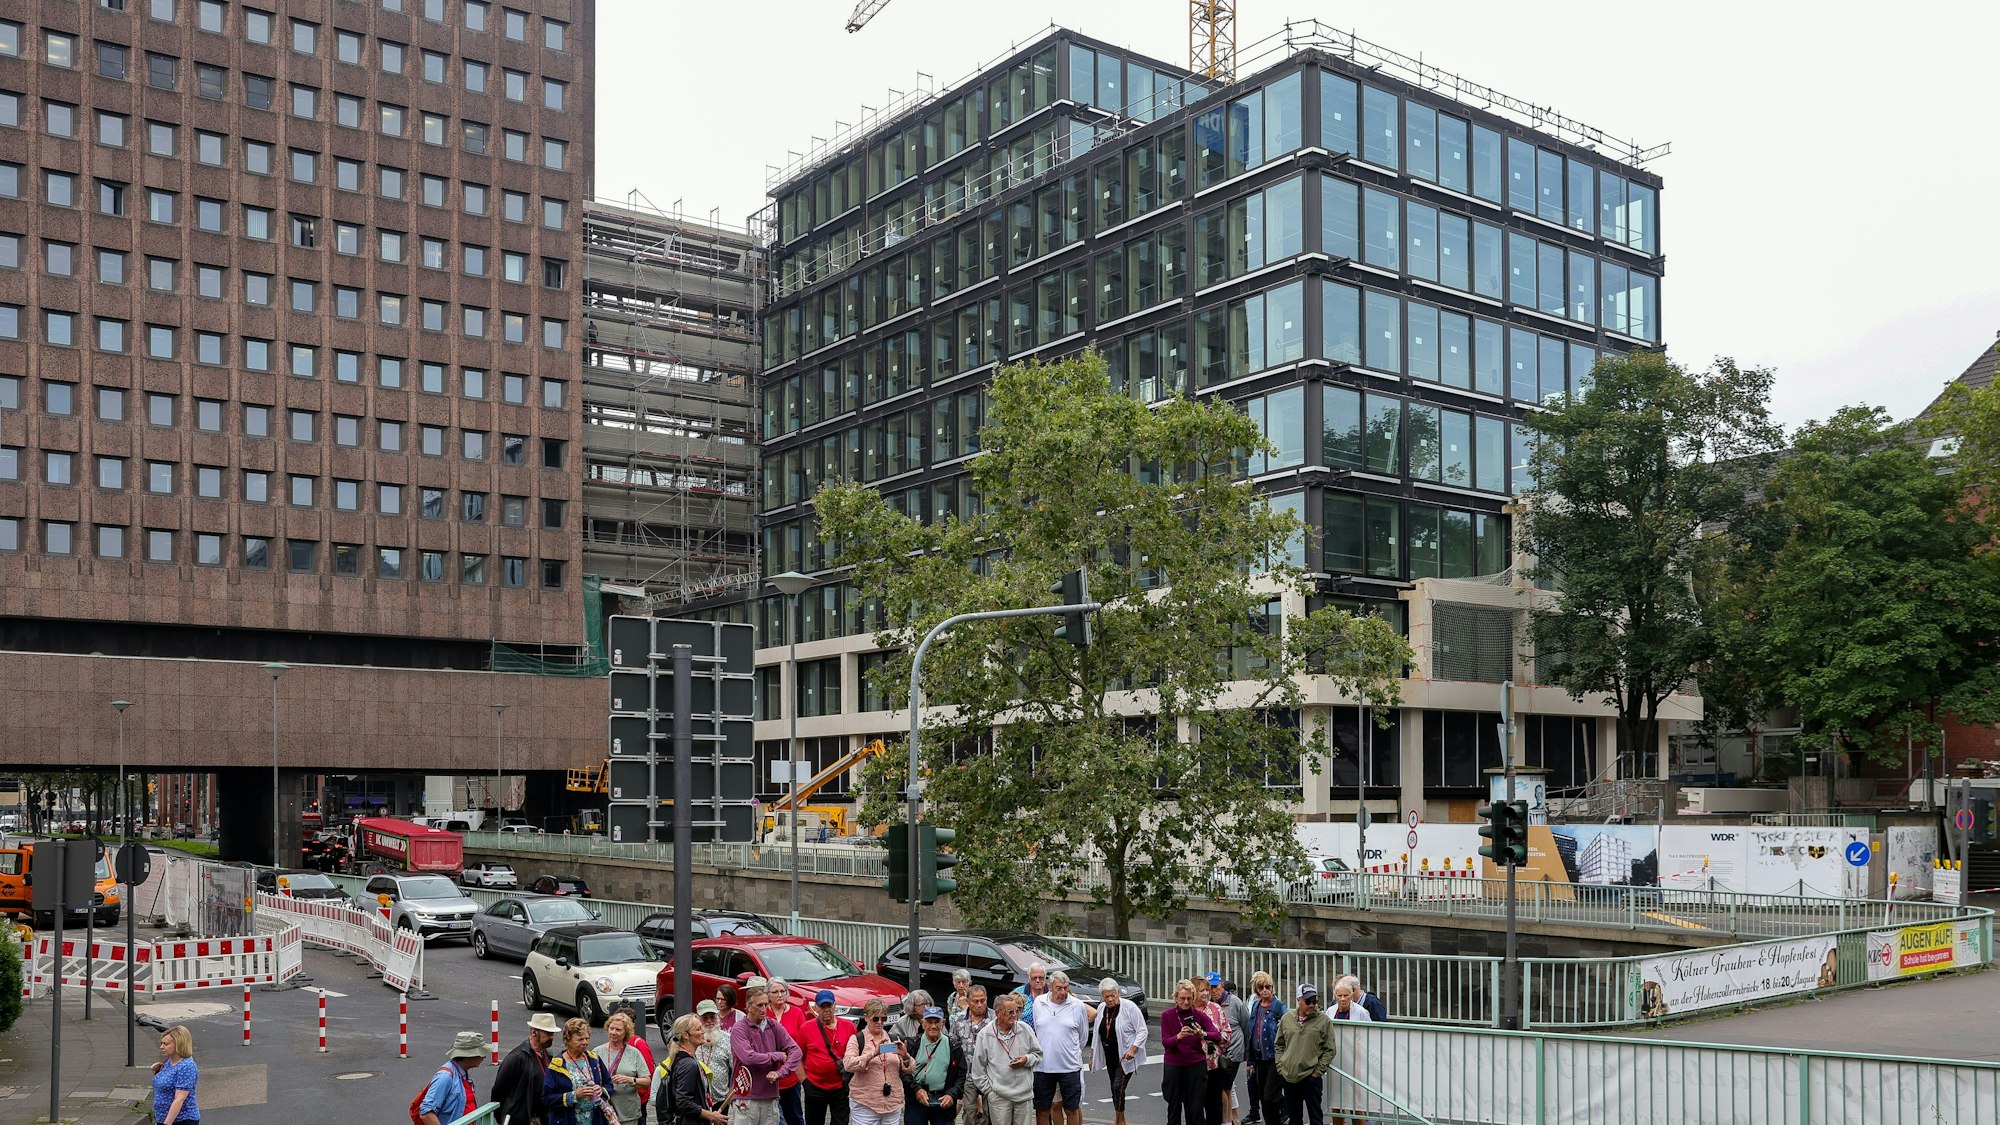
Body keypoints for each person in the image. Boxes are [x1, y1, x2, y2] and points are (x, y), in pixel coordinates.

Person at [732, 984, 804, 1125]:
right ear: (748, 1006)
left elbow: (796, 1051)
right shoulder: (739, 1028)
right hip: (747, 1097)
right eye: (759, 1005)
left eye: (766, 1004)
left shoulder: (773, 1025)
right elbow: (748, 1057)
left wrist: (781, 1072)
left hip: (770, 1096)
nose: (764, 1009)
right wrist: (776, 1055)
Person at [1030, 971, 1091, 1125]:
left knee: (1072, 1109)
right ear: (1049, 987)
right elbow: (1039, 1031)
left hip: (1069, 1068)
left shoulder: (1077, 1006)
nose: (1063, 992)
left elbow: (1082, 1037)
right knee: (1042, 1109)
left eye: (1065, 988)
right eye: (1059, 988)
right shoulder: (1039, 1002)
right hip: (1043, 1067)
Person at [968, 994, 1040, 1125]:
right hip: (999, 1096)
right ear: (997, 1013)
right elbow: (978, 1070)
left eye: (1017, 1011)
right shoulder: (985, 1034)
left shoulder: (1025, 1029)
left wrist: (1026, 1059)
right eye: (1010, 1012)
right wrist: (990, 1091)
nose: (1014, 1015)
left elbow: (1038, 1054)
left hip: (1024, 1095)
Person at [1159, 980, 1220, 1125]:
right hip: (1174, 1065)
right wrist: (1179, 1037)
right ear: (1176, 998)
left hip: (1195, 1065)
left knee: (1195, 1109)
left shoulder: (1199, 1016)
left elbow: (1216, 1035)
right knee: (1173, 1107)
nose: (1186, 1002)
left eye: (1189, 998)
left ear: (1193, 998)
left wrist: (1202, 1034)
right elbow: (1166, 1042)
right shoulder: (1167, 1015)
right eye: (1182, 998)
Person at [1085, 979, 1146, 1125]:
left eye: (1113, 995)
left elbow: (1142, 1030)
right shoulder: (1101, 1008)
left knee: (1118, 1086)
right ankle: (1119, 1118)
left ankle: (1120, 1120)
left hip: (1125, 1057)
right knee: (1114, 1088)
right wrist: (1092, 1055)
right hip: (1110, 1055)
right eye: (1106, 997)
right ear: (1102, 997)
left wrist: (1133, 1049)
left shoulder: (1129, 1007)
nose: (1110, 999)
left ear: (1118, 992)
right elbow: (1097, 1036)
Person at [1273, 986, 1336, 1125]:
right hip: (1289, 1076)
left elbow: (1330, 1049)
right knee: (1294, 1118)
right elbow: (1279, 1044)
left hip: (1310, 1077)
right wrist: (1280, 1067)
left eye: (1315, 1001)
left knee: (1315, 1117)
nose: (1312, 1005)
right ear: (1298, 1000)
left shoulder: (1323, 1020)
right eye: (1308, 1001)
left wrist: (1318, 1072)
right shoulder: (1287, 1018)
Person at [843, 997, 909, 1125]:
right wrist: (873, 1054)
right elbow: (848, 1064)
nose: (879, 1022)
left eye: (883, 1018)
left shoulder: (893, 1038)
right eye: (875, 1018)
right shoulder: (858, 1039)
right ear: (866, 1017)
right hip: (865, 1105)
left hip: (892, 1103)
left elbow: (910, 1068)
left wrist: (905, 1057)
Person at [658, 1014, 730, 1125]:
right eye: (698, 1029)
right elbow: (683, 1101)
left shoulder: (682, 1058)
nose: (703, 1031)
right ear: (686, 1036)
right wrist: (711, 1116)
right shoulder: (688, 1065)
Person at [797, 989, 856, 1125]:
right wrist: (805, 1083)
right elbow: (797, 1058)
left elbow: (855, 1054)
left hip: (841, 1087)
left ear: (835, 1006)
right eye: (822, 1007)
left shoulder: (848, 1027)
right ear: (816, 1008)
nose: (826, 1010)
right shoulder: (806, 1028)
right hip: (815, 1087)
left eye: (829, 1006)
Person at [547, 1016, 620, 1125]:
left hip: (594, 1120)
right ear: (568, 1040)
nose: (585, 1042)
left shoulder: (594, 1059)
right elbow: (547, 1099)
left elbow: (609, 1084)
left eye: (587, 1038)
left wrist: (601, 1090)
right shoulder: (557, 1066)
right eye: (580, 1039)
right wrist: (574, 1095)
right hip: (567, 1120)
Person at [901, 1006, 964, 1125]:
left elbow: (961, 1075)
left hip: (942, 1099)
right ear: (922, 1023)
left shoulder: (954, 1046)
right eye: (929, 1022)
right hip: (917, 1098)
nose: (933, 1026)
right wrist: (916, 1089)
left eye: (937, 1022)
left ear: (943, 1023)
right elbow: (904, 1072)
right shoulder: (912, 1044)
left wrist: (952, 1094)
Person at [1200, 973, 1248, 1125]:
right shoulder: (1209, 1005)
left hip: (1232, 1052)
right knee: (1226, 1088)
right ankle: (1232, 1118)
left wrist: (1247, 1052)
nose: (1213, 991)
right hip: (1215, 1054)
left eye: (1216, 987)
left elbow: (1246, 1025)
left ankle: (1228, 1120)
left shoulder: (1234, 1002)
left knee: (1223, 1088)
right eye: (1210, 988)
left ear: (1221, 985)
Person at [496, 1012, 560, 1125]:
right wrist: (504, 1119)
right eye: (548, 1033)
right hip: (523, 1120)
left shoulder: (548, 1055)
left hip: (543, 1118)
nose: (552, 1037)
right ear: (534, 1032)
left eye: (553, 1033)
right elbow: (498, 1092)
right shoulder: (516, 1058)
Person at [596, 1010, 655, 1125]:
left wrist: (630, 1080)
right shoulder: (597, 1052)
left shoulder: (634, 1053)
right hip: (604, 1110)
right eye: (611, 1028)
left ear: (626, 1032)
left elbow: (647, 1081)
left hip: (628, 1112)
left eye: (618, 1030)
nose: (613, 1032)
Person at [1240, 973, 1284, 1125]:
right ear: (1256, 990)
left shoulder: (1278, 1006)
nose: (1265, 990)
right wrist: (1250, 1059)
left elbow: (1287, 1026)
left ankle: (1279, 1117)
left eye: (1268, 987)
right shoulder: (1256, 1006)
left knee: (1270, 1096)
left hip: (1273, 1058)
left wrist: (1281, 1026)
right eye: (1261, 987)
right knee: (1263, 1097)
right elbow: (1252, 1032)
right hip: (1259, 1058)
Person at [418, 1032, 488, 1125]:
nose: (484, 1057)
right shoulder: (445, 1077)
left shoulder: (463, 1073)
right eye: (480, 1054)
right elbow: (426, 1113)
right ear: (468, 1055)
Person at [769, 978, 808, 1125]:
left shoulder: (797, 1013)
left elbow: (803, 1043)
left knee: (795, 1117)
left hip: (791, 1077)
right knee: (776, 1119)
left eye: (782, 991)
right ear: (768, 994)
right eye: (775, 992)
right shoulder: (764, 1012)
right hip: (769, 1077)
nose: (779, 995)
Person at [150, 1024, 200, 1125]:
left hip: (181, 1120)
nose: (161, 1047)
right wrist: (158, 1070)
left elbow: (179, 1099)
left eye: (166, 1044)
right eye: (161, 1043)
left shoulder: (187, 1066)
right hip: (163, 1118)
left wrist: (167, 1123)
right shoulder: (170, 1060)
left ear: (178, 1044)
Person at [697, 1000, 737, 1107]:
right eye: (705, 1018)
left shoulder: (727, 1039)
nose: (709, 1021)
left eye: (712, 1017)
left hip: (721, 1099)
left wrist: (732, 1091)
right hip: (697, 1099)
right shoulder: (693, 1038)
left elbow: (736, 1068)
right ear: (698, 1019)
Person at [948, 986, 991, 1061]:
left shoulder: (995, 1019)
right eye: (975, 1001)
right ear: (967, 1001)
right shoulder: (957, 1019)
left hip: (987, 1069)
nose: (980, 1005)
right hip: (964, 1069)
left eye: (983, 1001)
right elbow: (953, 1044)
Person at [1013, 965, 1049, 1030]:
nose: (1037, 980)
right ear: (1029, 978)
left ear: (1045, 978)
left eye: (1041, 978)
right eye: (1034, 978)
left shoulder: (1051, 994)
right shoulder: (1018, 992)